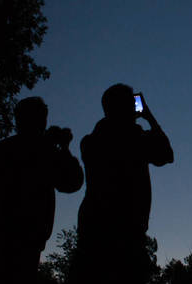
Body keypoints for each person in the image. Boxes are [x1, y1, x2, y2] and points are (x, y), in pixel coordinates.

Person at [0, 97, 84, 284]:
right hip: (23, 243)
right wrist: (63, 148)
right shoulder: (42, 151)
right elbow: (72, 183)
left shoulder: (1, 150)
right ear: (42, 120)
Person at [72, 84, 174, 284]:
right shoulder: (135, 138)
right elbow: (166, 155)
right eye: (130, 103)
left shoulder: (90, 140)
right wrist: (149, 117)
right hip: (126, 236)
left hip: (93, 231)